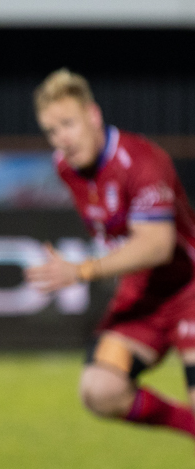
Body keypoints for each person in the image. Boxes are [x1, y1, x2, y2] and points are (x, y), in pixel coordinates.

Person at [27, 69, 195, 440]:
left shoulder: (142, 162)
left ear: (93, 115)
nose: (62, 140)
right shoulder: (65, 167)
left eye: (68, 124)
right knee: (100, 390)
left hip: (189, 288)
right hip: (144, 294)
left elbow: (157, 244)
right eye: (52, 131)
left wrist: (83, 271)